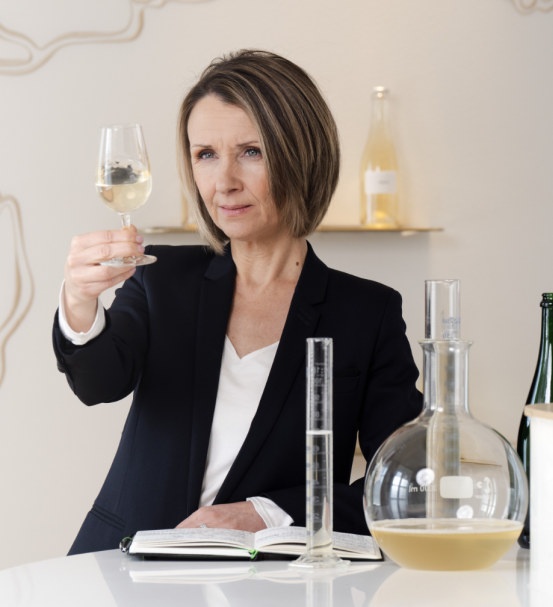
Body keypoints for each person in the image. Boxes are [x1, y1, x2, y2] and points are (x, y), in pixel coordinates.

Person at [53, 50, 422, 555]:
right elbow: (98, 383)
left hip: (268, 586)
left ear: (301, 153)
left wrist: (267, 513)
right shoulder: (165, 279)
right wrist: (79, 301)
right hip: (124, 569)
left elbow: (402, 488)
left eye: (251, 151)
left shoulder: (367, 313)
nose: (223, 181)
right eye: (205, 154)